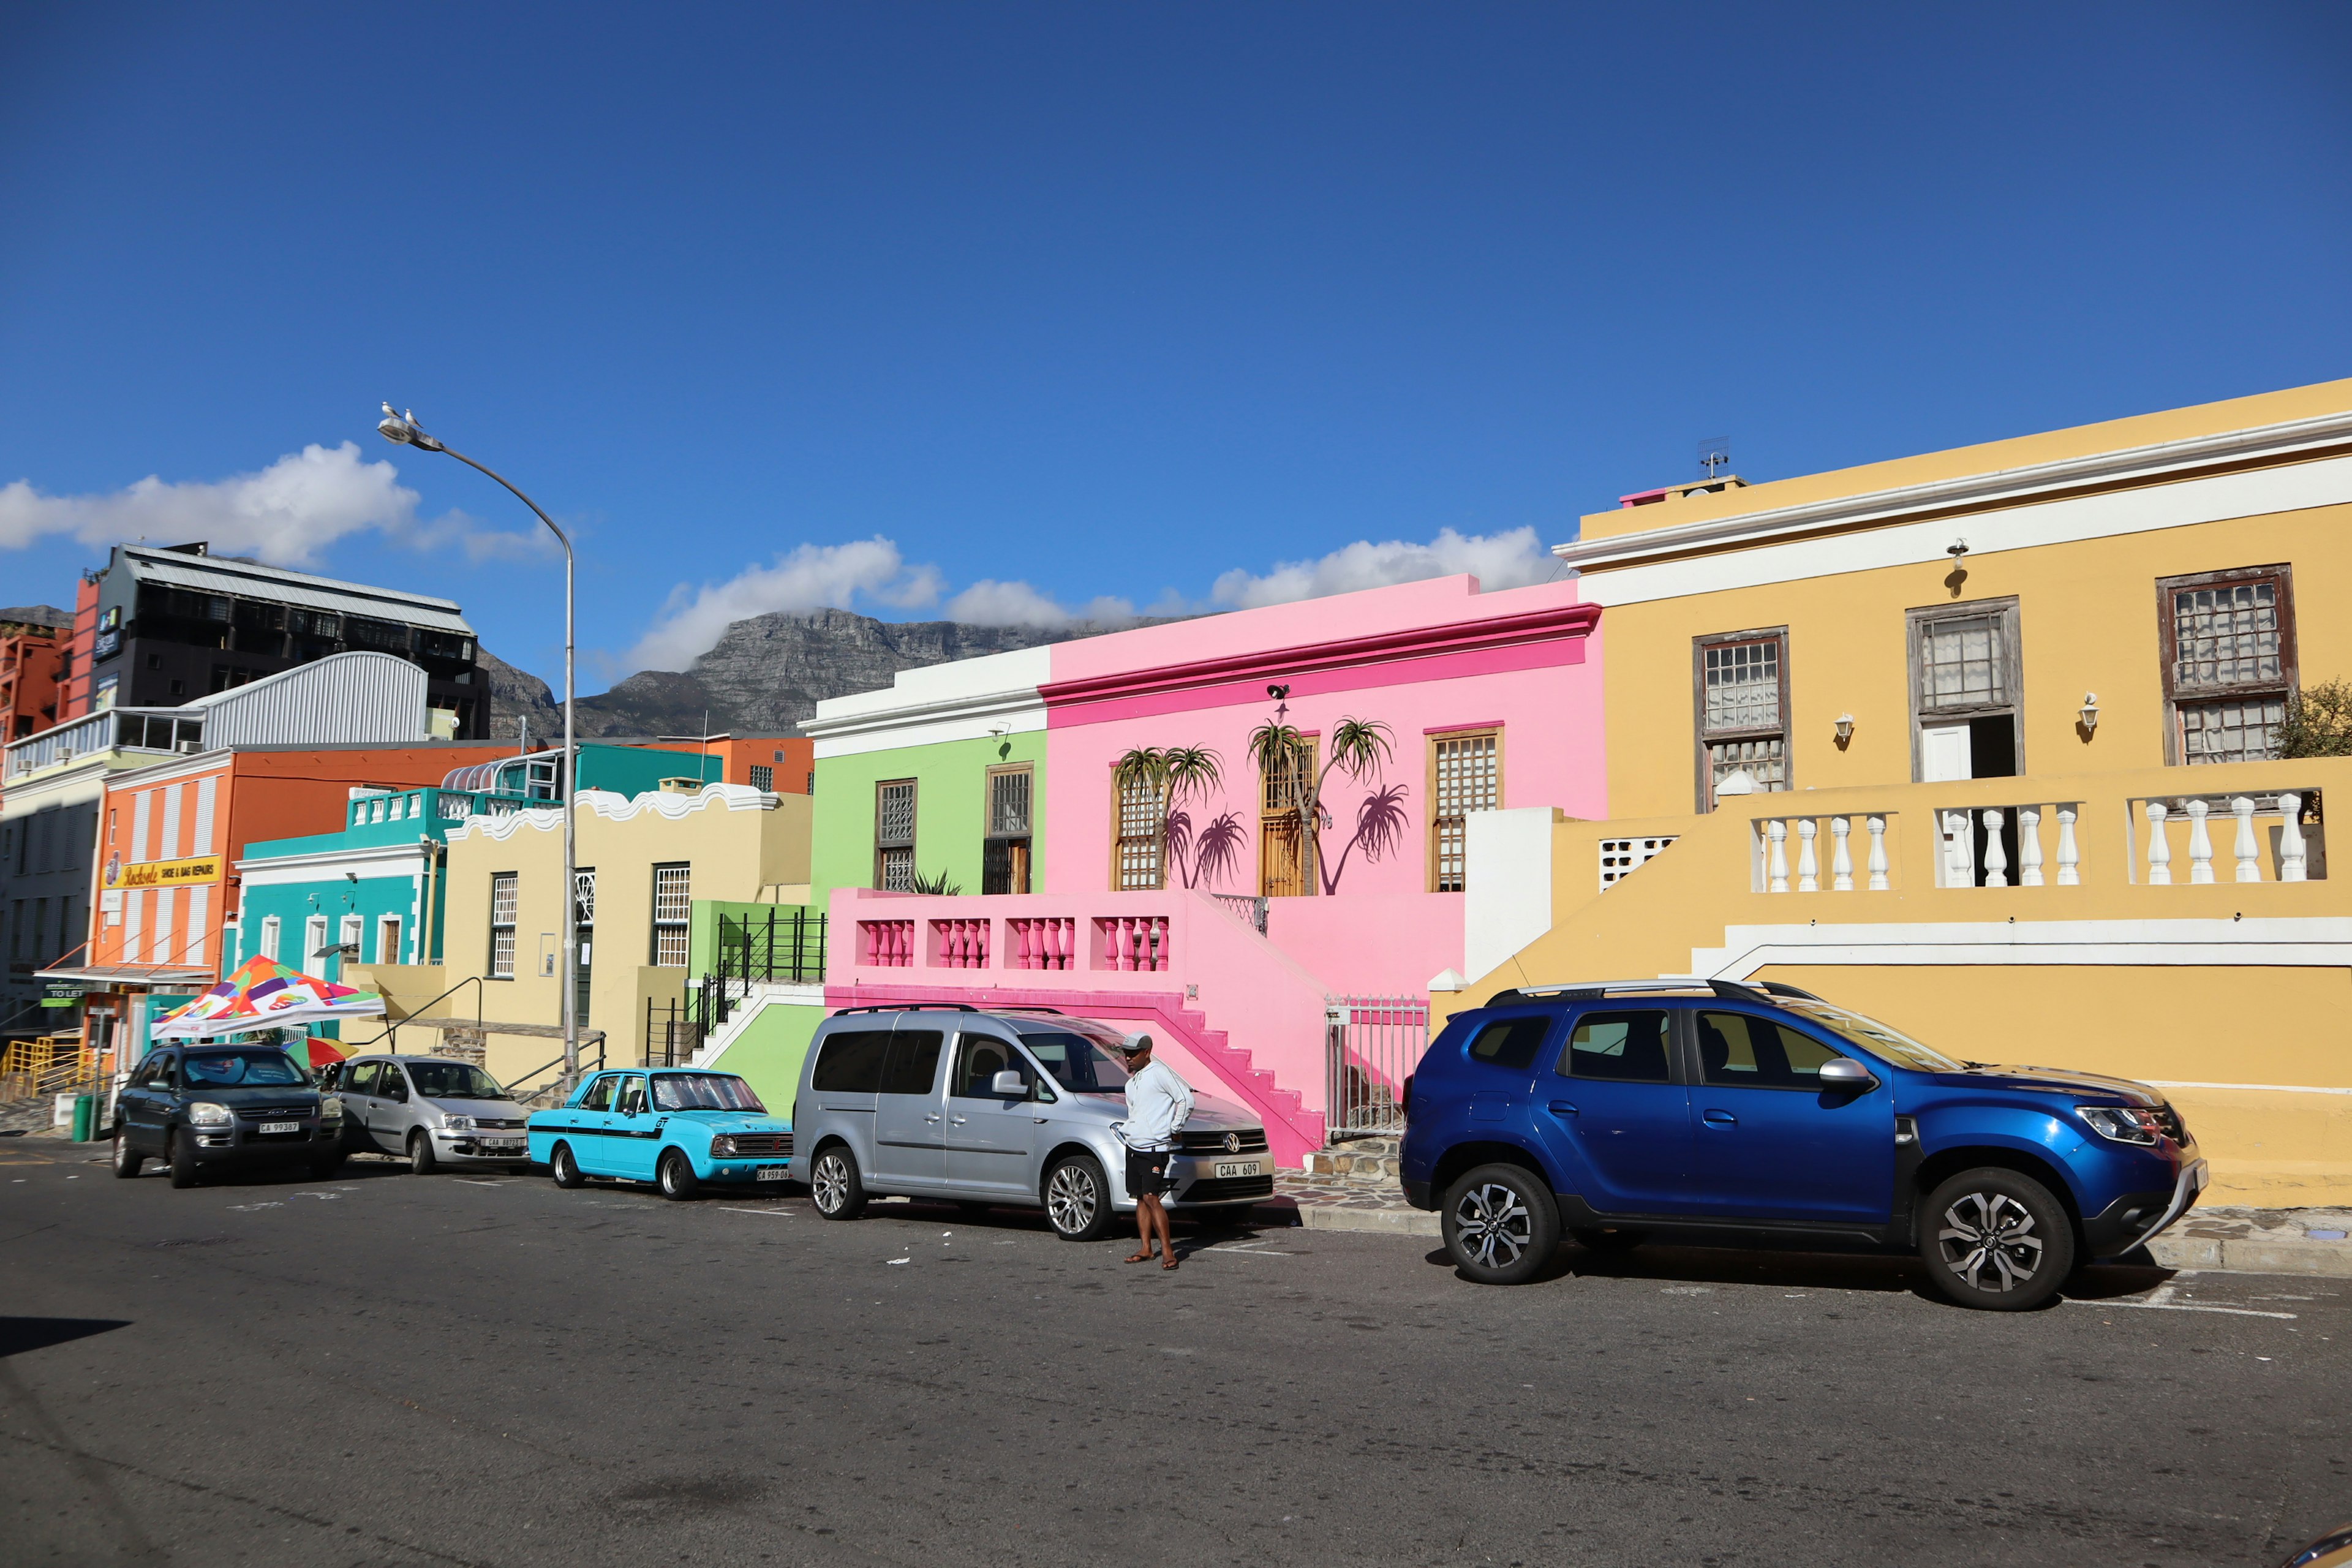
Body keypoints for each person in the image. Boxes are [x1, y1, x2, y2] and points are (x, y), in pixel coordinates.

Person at [1111, 1033, 1194, 1271]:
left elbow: (1185, 1099)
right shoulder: (1131, 1083)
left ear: (1147, 1052)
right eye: (1126, 1053)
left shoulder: (1159, 1072)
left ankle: (1168, 1252)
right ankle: (1146, 1248)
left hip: (1154, 1148)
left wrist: (1175, 1129)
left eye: (1133, 1053)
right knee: (1139, 1198)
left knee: (1150, 1196)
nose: (1128, 1058)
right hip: (1134, 1146)